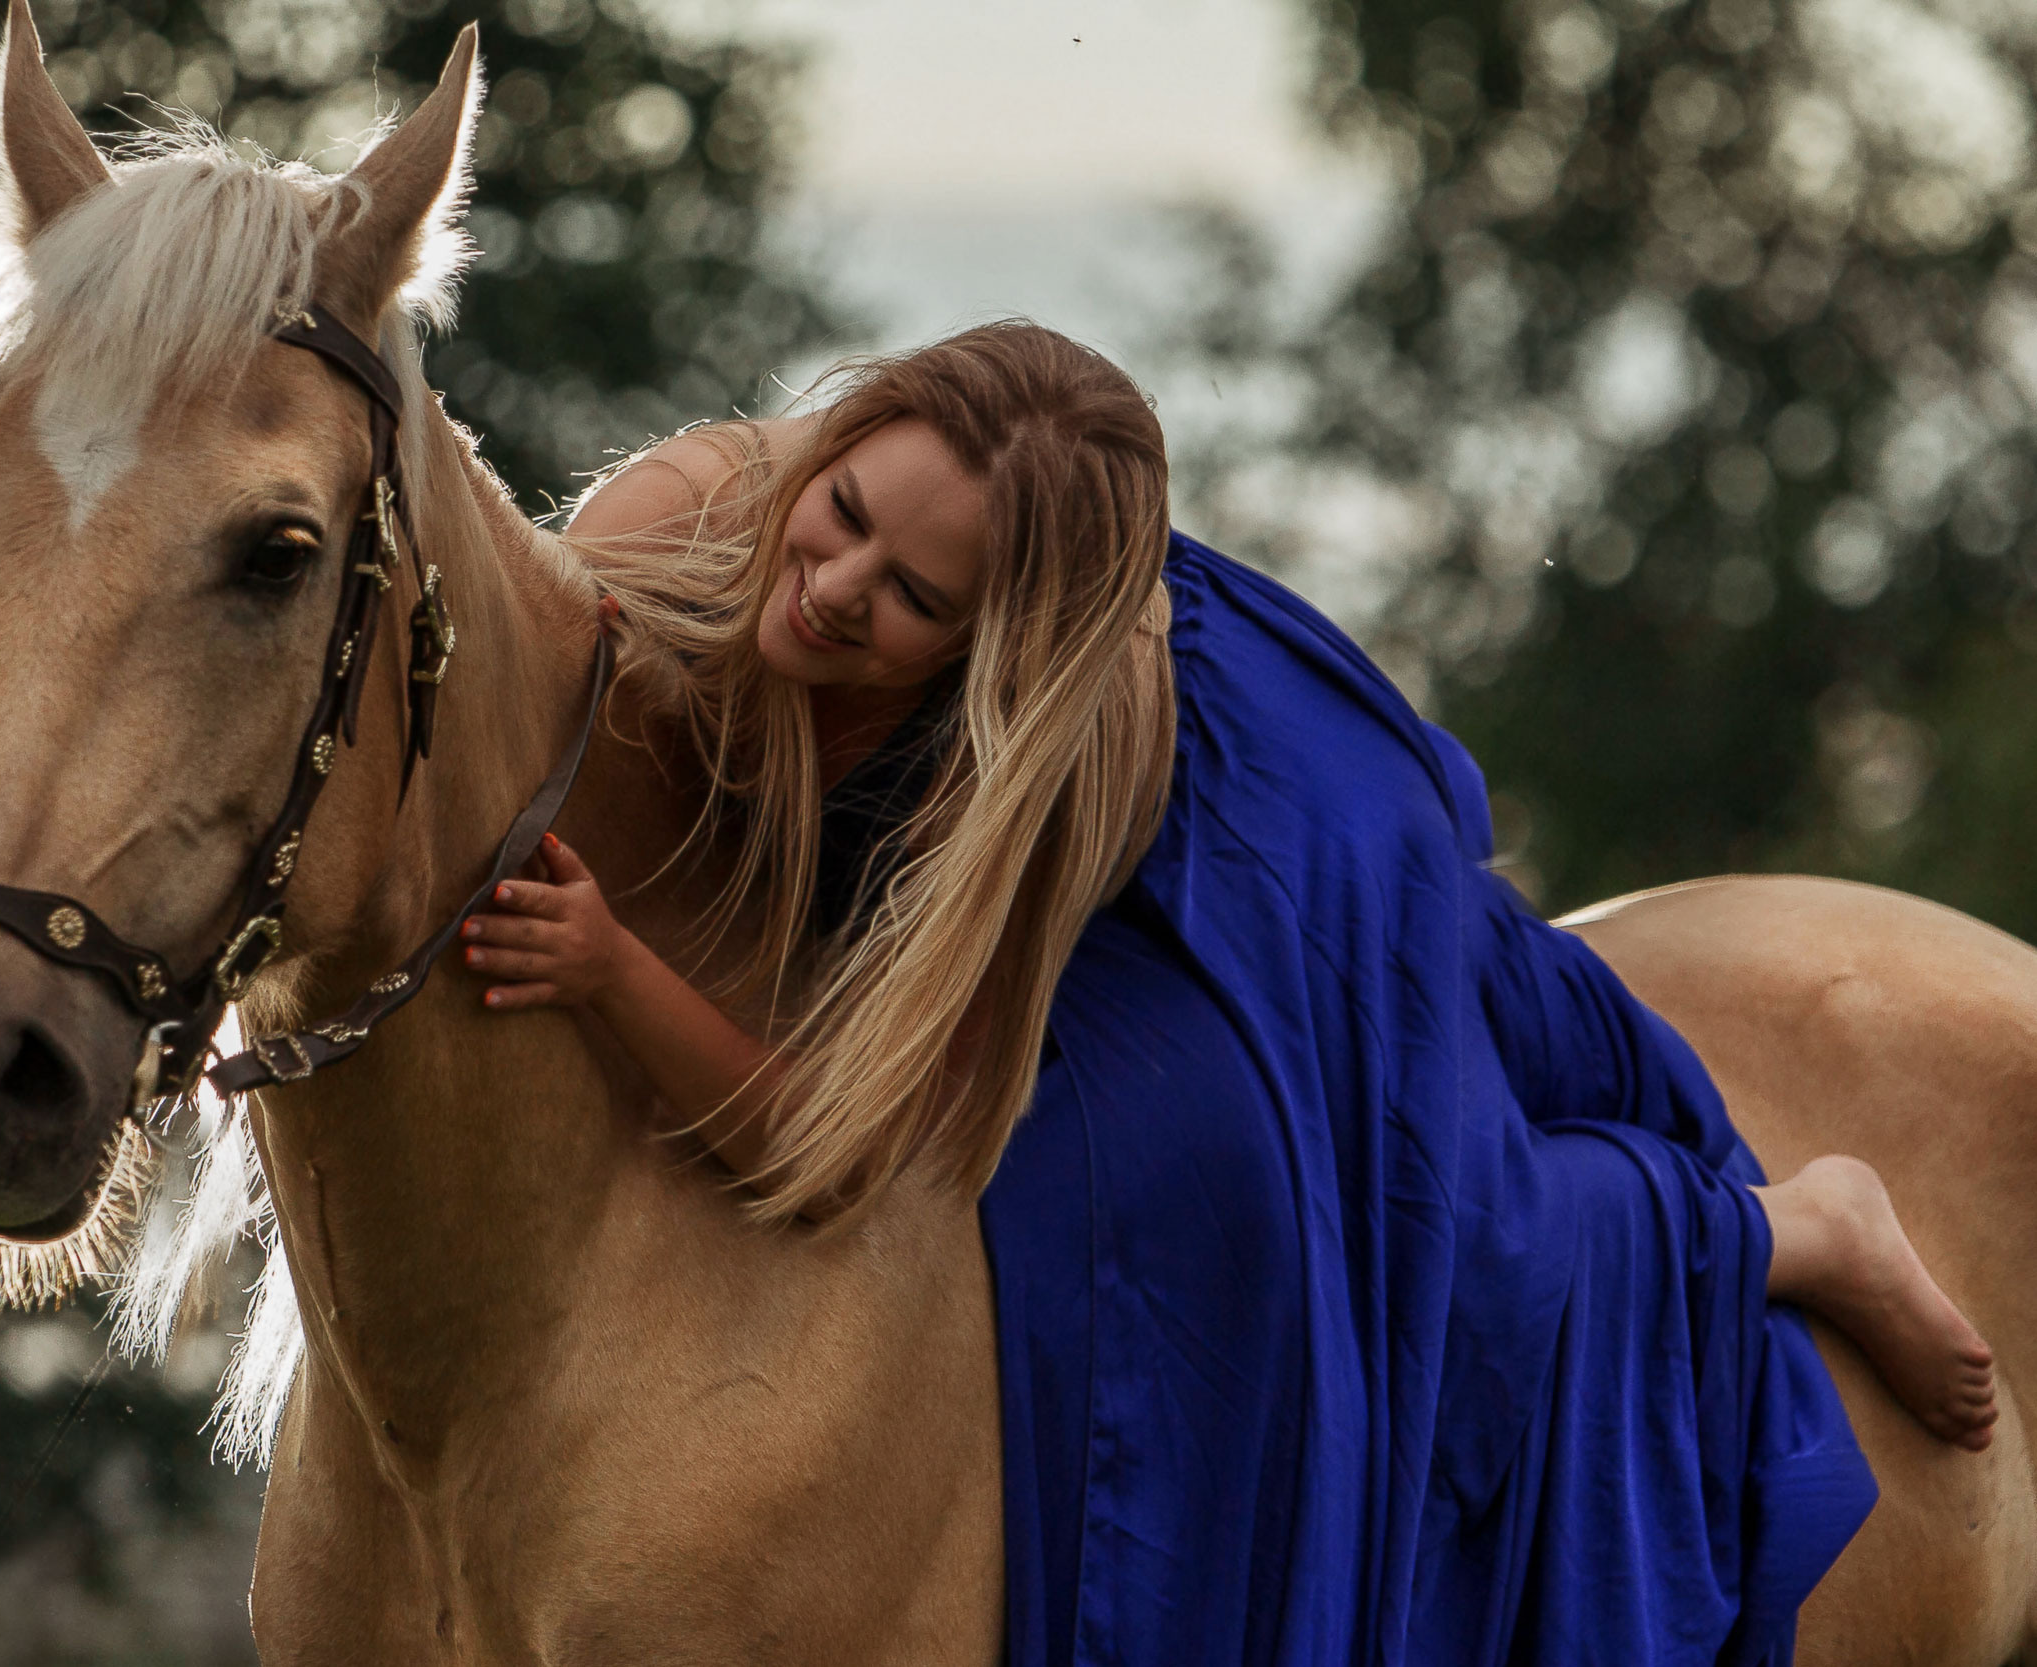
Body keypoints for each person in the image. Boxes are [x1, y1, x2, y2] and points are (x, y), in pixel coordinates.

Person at [458, 320, 1985, 1662]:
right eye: (843, 512)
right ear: (836, 442)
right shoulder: (660, 526)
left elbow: (841, 1147)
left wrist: (611, 975)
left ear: (987, 639)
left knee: (1434, 1239)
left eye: (914, 593)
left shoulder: (1028, 773)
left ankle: (1794, 1227)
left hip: (1272, 831)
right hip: (1074, 707)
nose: (839, 587)